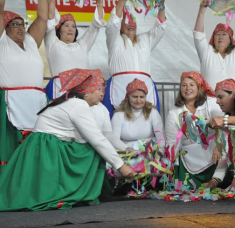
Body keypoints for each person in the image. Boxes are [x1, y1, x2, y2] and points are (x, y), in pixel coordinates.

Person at [0, 68, 135, 211]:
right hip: (48, 147)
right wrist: (120, 165)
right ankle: (74, 193)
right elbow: (97, 139)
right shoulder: (78, 106)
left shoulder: (73, 102)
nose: (102, 93)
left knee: (92, 149)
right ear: (87, 92)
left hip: (47, 144)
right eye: (99, 89)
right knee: (95, 150)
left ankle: (76, 192)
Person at [0, 0, 50, 173]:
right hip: (11, 103)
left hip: (36, 103)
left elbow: (42, 18)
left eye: (23, 24)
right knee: (12, 146)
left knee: (37, 144)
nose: (21, 28)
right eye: (15, 24)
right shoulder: (2, 42)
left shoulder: (30, 41)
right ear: (6, 27)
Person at [104, 0, 167, 116]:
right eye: (126, 21)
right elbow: (113, 23)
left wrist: (161, 8)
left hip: (145, 88)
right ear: (120, 25)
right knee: (118, 119)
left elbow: (160, 28)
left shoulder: (145, 40)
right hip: (120, 88)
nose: (130, 24)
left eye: (133, 21)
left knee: (148, 120)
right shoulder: (115, 40)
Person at [165, 72, 223, 188]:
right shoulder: (173, 113)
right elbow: (172, 142)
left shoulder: (211, 103)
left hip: (213, 151)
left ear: (199, 87)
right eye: (184, 85)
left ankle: (218, 178)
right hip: (189, 155)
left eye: (192, 84)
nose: (188, 88)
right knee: (181, 187)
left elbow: (224, 125)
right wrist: (169, 166)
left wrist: (219, 144)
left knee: (227, 147)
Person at [45, 0, 105, 100]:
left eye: (73, 26)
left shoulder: (82, 45)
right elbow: (50, 18)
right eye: (66, 25)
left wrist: (99, 3)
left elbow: (95, 25)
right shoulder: (53, 43)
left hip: (82, 93)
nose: (70, 29)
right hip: (60, 92)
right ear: (59, 29)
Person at [194, 0, 235, 89]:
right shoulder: (206, 52)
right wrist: (201, 13)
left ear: (230, 39)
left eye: (224, 34)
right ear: (213, 39)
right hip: (211, 101)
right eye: (217, 34)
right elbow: (198, 36)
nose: (220, 37)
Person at [111, 78, 164, 150]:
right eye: (135, 97)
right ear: (128, 97)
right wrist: (127, 149)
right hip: (125, 152)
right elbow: (115, 141)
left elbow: (160, 137)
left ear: (146, 97)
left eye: (142, 97)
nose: (138, 100)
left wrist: (160, 153)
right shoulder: (118, 115)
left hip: (148, 152)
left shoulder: (153, 112)